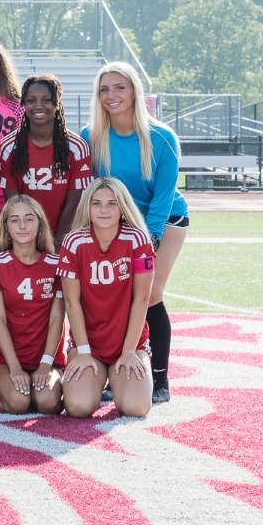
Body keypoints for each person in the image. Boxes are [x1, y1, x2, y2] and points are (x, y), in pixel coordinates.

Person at [83, 61, 186, 404]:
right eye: (104, 89)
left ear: (135, 91)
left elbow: (164, 194)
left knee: (151, 293)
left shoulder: (161, 137)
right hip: (115, 222)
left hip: (163, 221)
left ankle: (160, 377)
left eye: (119, 87)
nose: (111, 95)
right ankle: (116, 370)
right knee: (115, 294)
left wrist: (150, 240)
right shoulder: (90, 137)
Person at [57, 178, 156, 419]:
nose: (103, 210)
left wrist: (130, 351)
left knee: (136, 408)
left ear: (122, 207)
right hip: (89, 344)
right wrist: (83, 351)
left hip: (128, 343)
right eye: (96, 203)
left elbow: (142, 299)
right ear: (87, 208)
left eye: (112, 203)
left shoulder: (138, 239)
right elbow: (72, 302)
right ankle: (97, 379)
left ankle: (118, 378)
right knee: (78, 407)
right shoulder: (73, 242)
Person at [0, 195, 66, 415]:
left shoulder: (55, 264)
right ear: (6, 227)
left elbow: (57, 318)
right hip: (5, 359)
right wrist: (15, 368)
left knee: (47, 403)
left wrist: (46, 364)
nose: (22, 225)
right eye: (14, 219)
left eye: (29, 219)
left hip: (45, 357)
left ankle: (48, 388)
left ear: (40, 224)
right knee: (19, 403)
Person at [0, 74, 91, 239]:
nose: (38, 106)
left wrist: (56, 245)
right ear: (23, 104)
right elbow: (13, 204)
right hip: (23, 236)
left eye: (47, 100)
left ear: (57, 103)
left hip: (63, 237)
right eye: (31, 100)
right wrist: (31, 243)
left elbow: (73, 204)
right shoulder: (8, 147)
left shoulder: (77, 148)